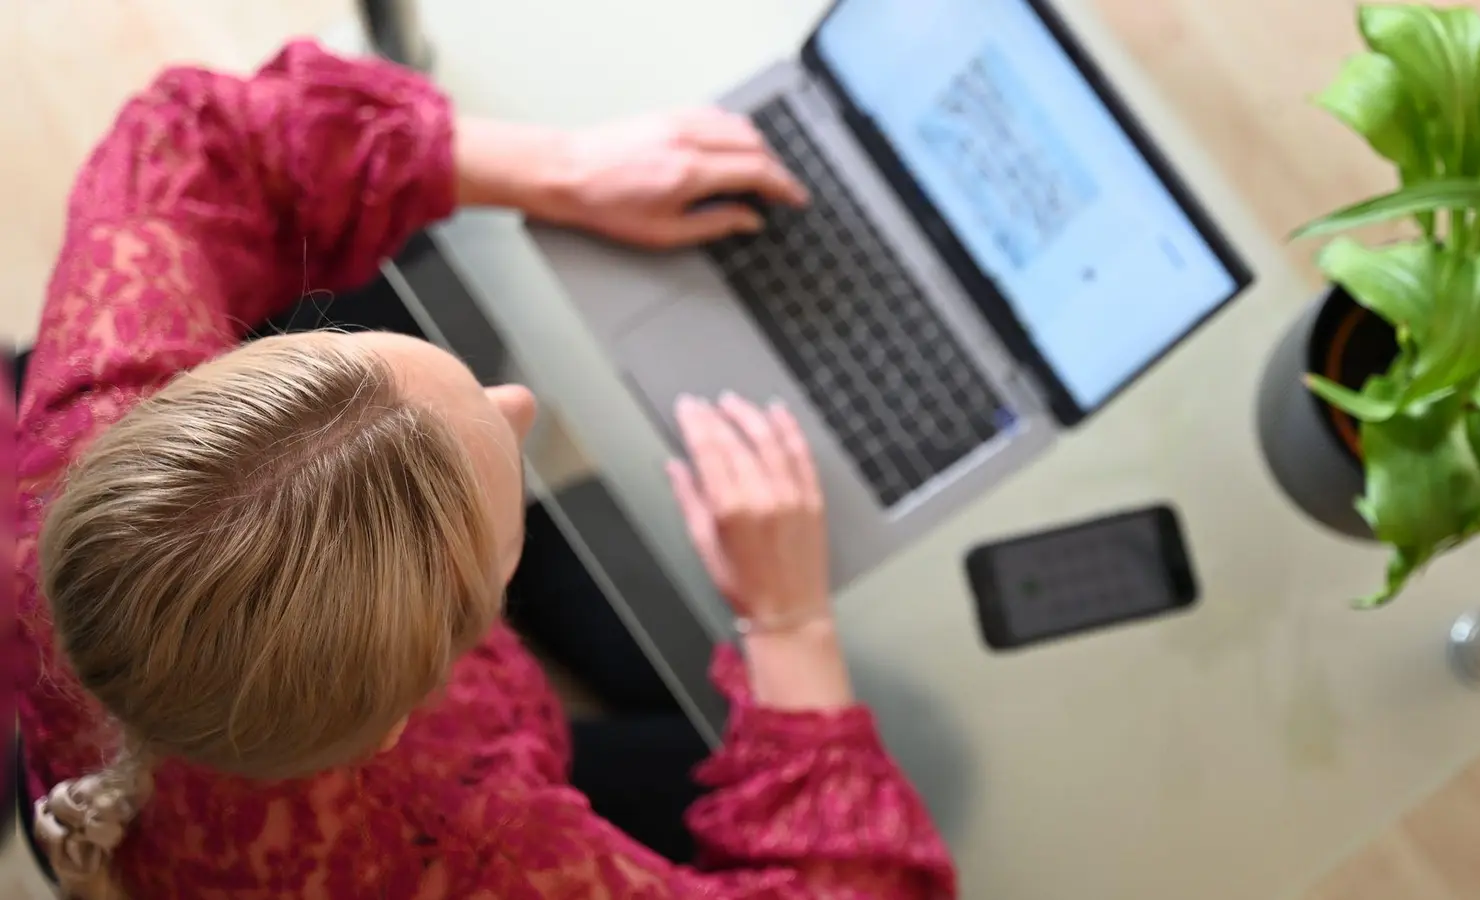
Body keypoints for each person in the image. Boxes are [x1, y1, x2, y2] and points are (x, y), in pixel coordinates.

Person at [15, 40, 956, 899]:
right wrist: (788, 620)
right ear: (397, 719)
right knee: (931, 751)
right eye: (487, 538)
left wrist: (566, 170)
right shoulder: (455, 849)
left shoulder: (82, 430)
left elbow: (193, 135)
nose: (516, 408)